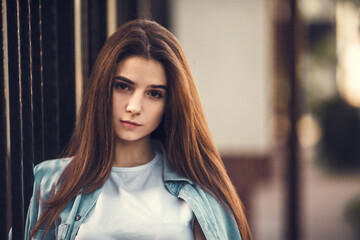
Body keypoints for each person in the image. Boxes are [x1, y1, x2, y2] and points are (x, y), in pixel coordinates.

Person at [24, 19, 251, 240]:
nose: (134, 107)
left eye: (154, 93)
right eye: (123, 86)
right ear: (104, 88)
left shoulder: (199, 190)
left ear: (170, 102)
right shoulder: (52, 183)